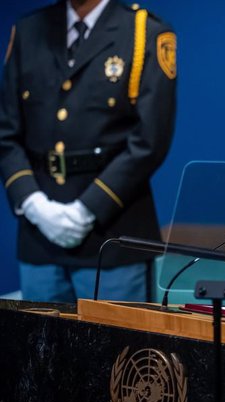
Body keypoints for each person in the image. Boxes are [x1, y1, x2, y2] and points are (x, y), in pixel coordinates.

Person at [0, 0, 176, 302]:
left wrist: (87, 209)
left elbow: (149, 141)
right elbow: (6, 134)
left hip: (112, 238)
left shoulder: (144, 32)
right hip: (39, 238)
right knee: (39, 348)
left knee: (116, 349)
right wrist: (33, 203)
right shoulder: (28, 31)